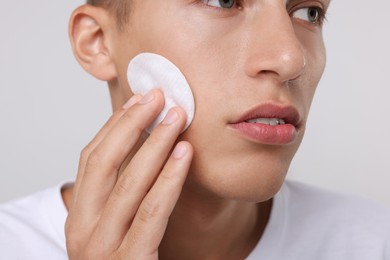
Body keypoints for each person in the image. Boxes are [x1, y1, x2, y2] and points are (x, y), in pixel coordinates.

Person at [1, 0, 389, 259]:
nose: (289, 58)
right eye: (222, 0)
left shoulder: (374, 242)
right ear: (98, 42)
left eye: (308, 13)